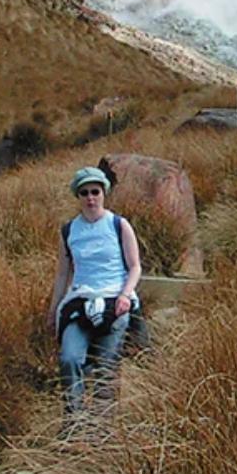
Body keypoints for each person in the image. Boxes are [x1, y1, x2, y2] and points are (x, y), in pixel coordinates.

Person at [48, 166, 142, 425]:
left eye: (95, 192)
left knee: (106, 365)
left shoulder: (118, 225)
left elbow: (135, 266)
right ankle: (74, 421)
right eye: (85, 193)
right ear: (78, 197)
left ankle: (104, 428)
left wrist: (125, 295)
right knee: (69, 359)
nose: (90, 198)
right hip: (80, 300)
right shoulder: (69, 231)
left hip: (114, 299)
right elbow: (63, 273)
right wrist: (54, 309)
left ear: (104, 194)